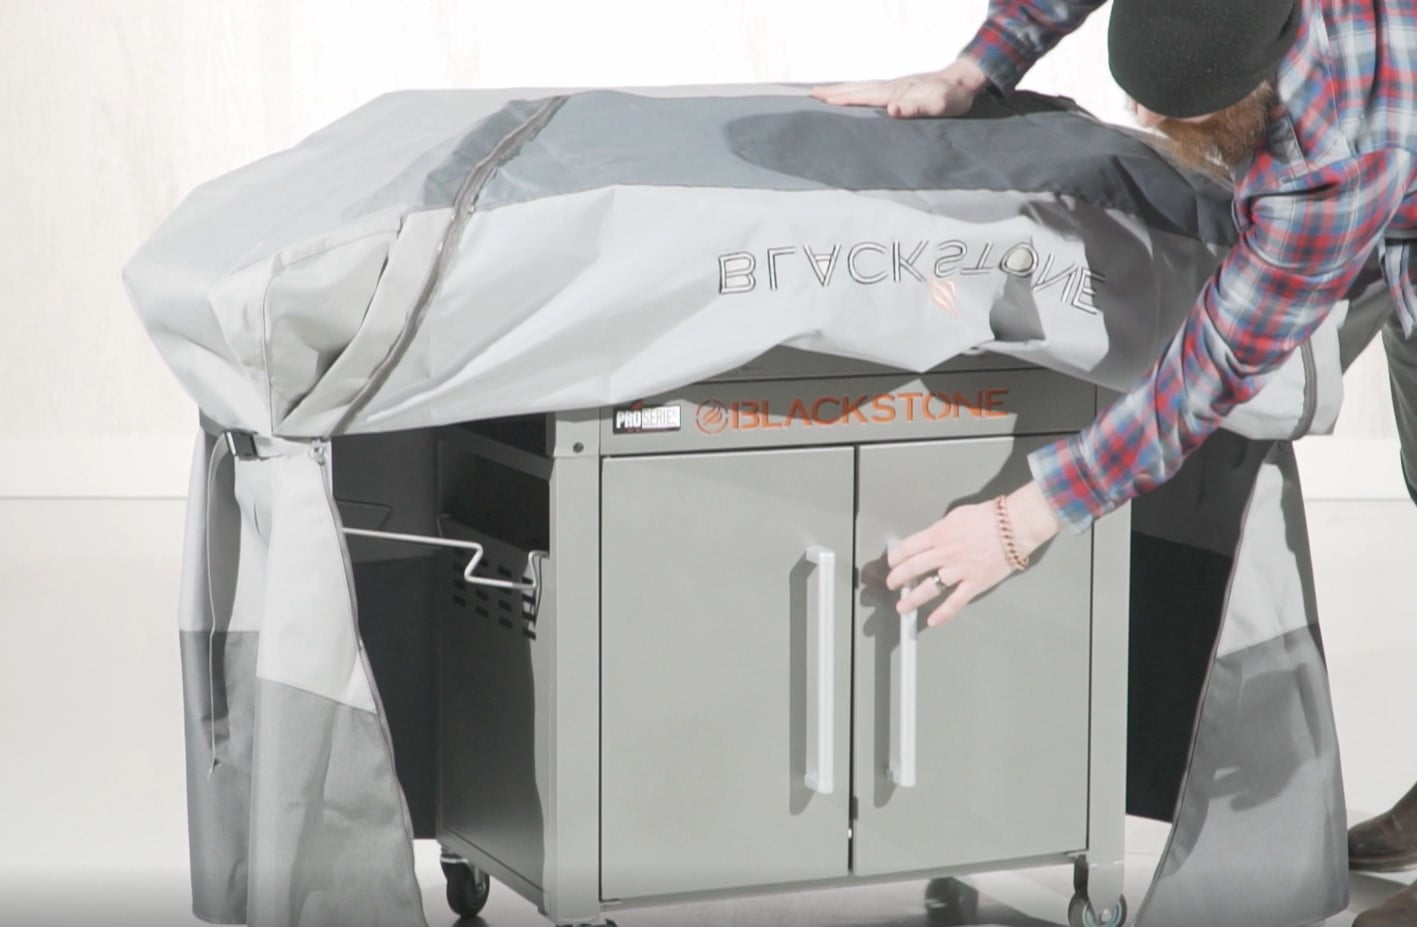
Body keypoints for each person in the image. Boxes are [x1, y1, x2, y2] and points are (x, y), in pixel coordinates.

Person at [814, 1, 1417, 924]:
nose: (1141, 122)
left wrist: (1019, 521)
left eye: (1172, 117)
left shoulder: (1327, 162)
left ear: (1252, 97)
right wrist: (976, 67)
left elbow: (1208, 373)